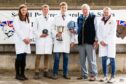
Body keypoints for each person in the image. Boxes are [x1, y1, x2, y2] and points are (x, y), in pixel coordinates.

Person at [51, 2, 75, 80]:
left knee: (66, 58)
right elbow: (52, 28)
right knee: (57, 58)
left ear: (67, 8)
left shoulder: (70, 18)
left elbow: (72, 30)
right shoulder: (56, 17)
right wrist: (56, 33)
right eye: (62, 8)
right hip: (58, 39)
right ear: (60, 8)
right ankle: (55, 73)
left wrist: (72, 41)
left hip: (66, 40)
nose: (63, 9)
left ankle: (65, 73)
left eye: (65, 8)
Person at [77, 4, 98, 81]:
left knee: (91, 60)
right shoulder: (79, 18)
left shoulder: (93, 17)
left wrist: (96, 40)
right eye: (83, 9)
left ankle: (93, 75)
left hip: (90, 42)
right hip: (81, 42)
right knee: (82, 60)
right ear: (81, 10)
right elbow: (79, 29)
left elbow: (96, 29)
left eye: (86, 9)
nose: (85, 11)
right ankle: (84, 75)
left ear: (89, 9)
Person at [33, 4, 53, 79]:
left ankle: (46, 71)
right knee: (38, 56)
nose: (46, 10)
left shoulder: (51, 19)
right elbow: (34, 29)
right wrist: (39, 35)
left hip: (48, 40)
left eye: (47, 9)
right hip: (40, 40)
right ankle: (36, 72)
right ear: (42, 10)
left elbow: (52, 29)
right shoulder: (37, 18)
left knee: (47, 56)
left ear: (48, 10)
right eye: (44, 9)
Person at [97, 7, 117, 83]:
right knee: (104, 59)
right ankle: (105, 76)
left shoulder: (113, 21)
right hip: (102, 43)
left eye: (107, 12)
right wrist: (101, 41)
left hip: (110, 43)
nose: (106, 13)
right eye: (104, 12)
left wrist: (105, 41)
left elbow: (112, 33)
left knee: (112, 59)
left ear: (110, 13)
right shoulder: (101, 21)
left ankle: (113, 77)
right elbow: (98, 32)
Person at [13, 4, 32, 80]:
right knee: (19, 58)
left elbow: (31, 30)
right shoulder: (16, 18)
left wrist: (29, 38)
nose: (24, 11)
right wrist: (24, 38)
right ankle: (17, 75)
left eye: (25, 10)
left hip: (27, 42)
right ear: (20, 11)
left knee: (24, 59)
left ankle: (22, 74)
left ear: (27, 11)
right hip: (20, 41)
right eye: (22, 10)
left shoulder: (28, 19)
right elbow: (18, 30)